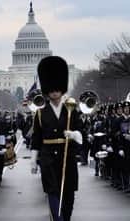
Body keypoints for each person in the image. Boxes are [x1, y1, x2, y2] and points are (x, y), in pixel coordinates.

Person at [31, 56, 83, 221]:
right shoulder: (40, 113)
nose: (54, 92)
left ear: (61, 89)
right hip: (48, 158)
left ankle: (65, 218)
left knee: (68, 193)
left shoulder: (71, 110)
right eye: (51, 89)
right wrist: (34, 160)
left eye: (57, 89)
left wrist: (74, 134)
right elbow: (36, 138)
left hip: (67, 155)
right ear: (47, 90)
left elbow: (82, 132)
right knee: (52, 190)